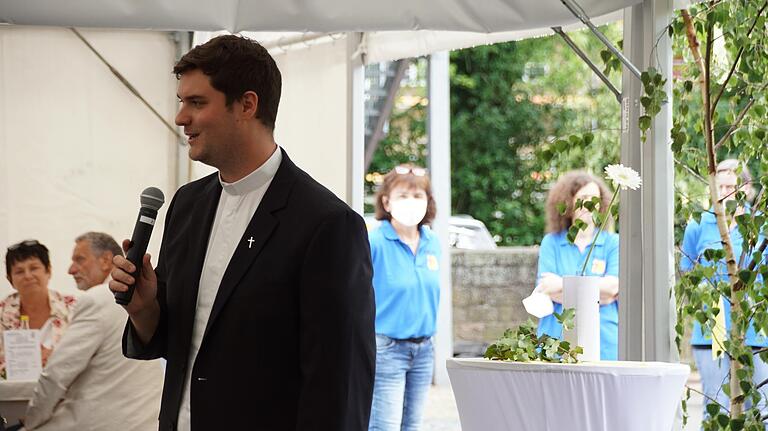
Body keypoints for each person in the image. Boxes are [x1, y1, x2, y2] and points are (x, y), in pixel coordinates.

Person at [109, 35, 375, 430]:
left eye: (197, 103)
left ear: (247, 105)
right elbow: (179, 342)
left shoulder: (327, 225)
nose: (181, 118)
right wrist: (145, 308)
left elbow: (339, 389)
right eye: (182, 102)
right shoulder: (187, 205)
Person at [23, 232, 163, 430]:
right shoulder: (144, 299)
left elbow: (56, 375)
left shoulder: (97, 299)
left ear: (106, 260)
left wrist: (29, 423)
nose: (71, 270)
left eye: (79, 260)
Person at [680, 159, 768, 423]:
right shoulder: (698, 225)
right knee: (715, 405)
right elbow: (688, 271)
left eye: (733, 185)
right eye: (721, 186)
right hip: (712, 333)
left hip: (755, 332)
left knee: (761, 408)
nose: (726, 192)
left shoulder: (760, 225)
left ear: (746, 188)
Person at [367, 164, 440, 431]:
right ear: (387, 202)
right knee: (384, 426)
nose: (411, 202)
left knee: (413, 426)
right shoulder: (375, 241)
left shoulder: (432, 242)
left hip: (424, 350)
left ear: (427, 202)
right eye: (403, 196)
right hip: (388, 349)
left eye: (418, 196)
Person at [533, 170, 620, 360]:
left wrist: (563, 287)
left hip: (604, 340)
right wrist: (596, 294)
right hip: (555, 341)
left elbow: (613, 287)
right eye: (582, 198)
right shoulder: (551, 242)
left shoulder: (612, 243)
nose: (588, 204)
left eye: (593, 198)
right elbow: (547, 286)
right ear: (569, 202)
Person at [1, 240, 76, 377]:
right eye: (19, 271)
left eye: (34, 268)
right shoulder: (1, 312)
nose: (28, 276)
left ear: (48, 271)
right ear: (9, 279)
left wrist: (55, 358)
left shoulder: (73, 307)